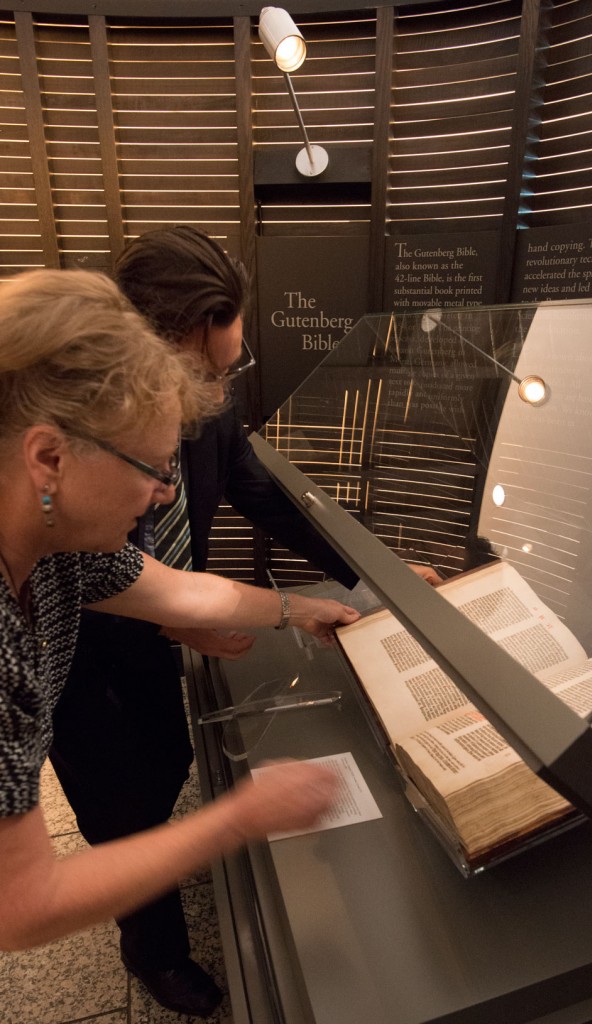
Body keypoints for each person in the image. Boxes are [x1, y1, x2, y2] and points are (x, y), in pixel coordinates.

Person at [48, 226, 442, 1017]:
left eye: (229, 373)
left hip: (156, 643)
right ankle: (151, 947)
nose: (216, 400)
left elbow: (178, 574)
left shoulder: (195, 423)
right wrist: (232, 823)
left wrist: (363, 582)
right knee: (120, 806)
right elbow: (20, 897)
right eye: (202, 375)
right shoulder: (34, 585)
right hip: (90, 676)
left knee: (161, 764)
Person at [0, 269, 359, 965]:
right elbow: (20, 903)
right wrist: (240, 817)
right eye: (154, 468)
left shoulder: (55, 547)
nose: (166, 494)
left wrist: (298, 608)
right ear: (49, 458)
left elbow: (176, 592)